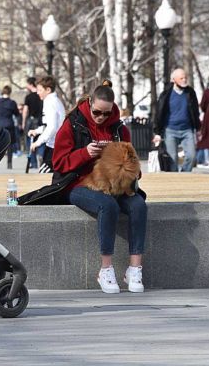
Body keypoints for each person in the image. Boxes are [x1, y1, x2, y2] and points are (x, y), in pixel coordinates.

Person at [52, 80, 147, 294]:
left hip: (117, 184)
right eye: (97, 113)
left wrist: (127, 165)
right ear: (89, 103)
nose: (102, 118)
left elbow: (133, 163)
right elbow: (58, 163)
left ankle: (134, 268)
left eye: (107, 113)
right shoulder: (72, 123)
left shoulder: (119, 129)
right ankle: (106, 269)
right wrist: (86, 153)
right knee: (108, 206)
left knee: (139, 205)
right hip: (78, 183)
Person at [154, 68, 200, 172]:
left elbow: (195, 111)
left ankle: (184, 174)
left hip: (187, 130)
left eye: (185, 78)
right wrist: (157, 132)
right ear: (174, 80)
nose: (184, 80)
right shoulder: (166, 94)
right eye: (181, 78)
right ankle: (174, 180)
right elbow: (159, 113)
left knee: (192, 156)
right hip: (170, 130)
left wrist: (197, 128)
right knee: (172, 159)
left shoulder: (190, 93)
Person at [27, 76, 65, 173]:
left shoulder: (50, 102)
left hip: (55, 147)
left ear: (48, 90)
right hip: (55, 145)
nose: (37, 92)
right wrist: (37, 131)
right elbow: (49, 125)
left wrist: (38, 142)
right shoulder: (53, 101)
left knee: (44, 176)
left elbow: (52, 127)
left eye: (40, 90)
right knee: (49, 177)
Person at [0, 85, 20, 169]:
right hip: (9, 124)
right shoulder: (12, 103)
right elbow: (16, 114)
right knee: (9, 145)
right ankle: (9, 163)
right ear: (10, 92)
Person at [22, 77, 43, 169]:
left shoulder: (28, 97)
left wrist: (23, 122)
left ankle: (33, 163)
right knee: (41, 140)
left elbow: (25, 110)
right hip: (41, 120)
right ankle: (41, 156)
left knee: (30, 141)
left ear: (31, 84)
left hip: (31, 120)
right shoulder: (42, 95)